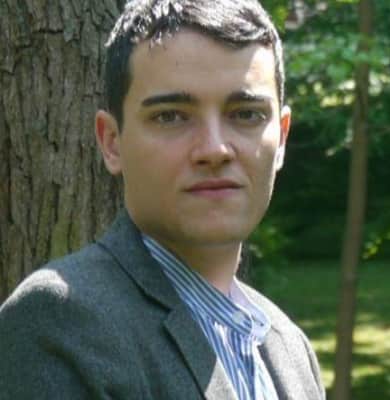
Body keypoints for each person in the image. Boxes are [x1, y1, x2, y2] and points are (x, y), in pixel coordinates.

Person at [0, 0, 325, 399]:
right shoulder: (58, 321)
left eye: (246, 114)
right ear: (111, 142)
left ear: (282, 138)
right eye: (171, 116)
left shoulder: (291, 349)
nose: (215, 149)